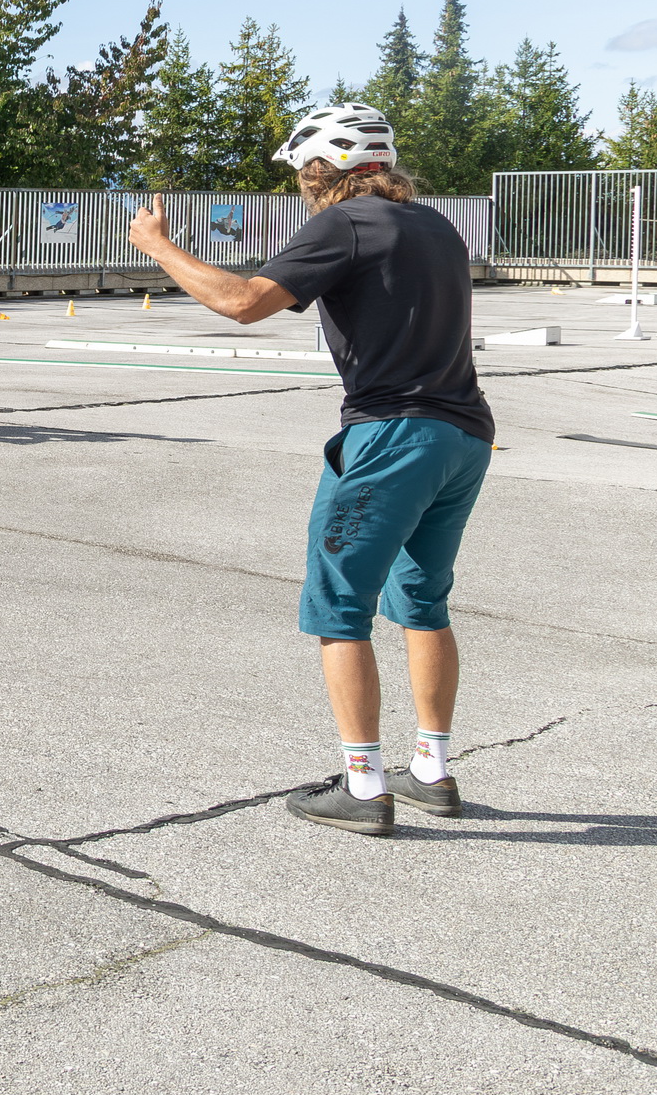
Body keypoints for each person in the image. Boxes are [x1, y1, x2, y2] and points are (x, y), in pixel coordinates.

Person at [126, 102, 492, 838]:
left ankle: (363, 784)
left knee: (338, 605)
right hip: (465, 434)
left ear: (323, 167)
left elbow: (242, 302)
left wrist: (158, 246)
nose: (299, 185)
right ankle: (433, 769)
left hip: (390, 437)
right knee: (421, 599)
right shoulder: (437, 225)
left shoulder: (344, 221)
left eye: (301, 171)